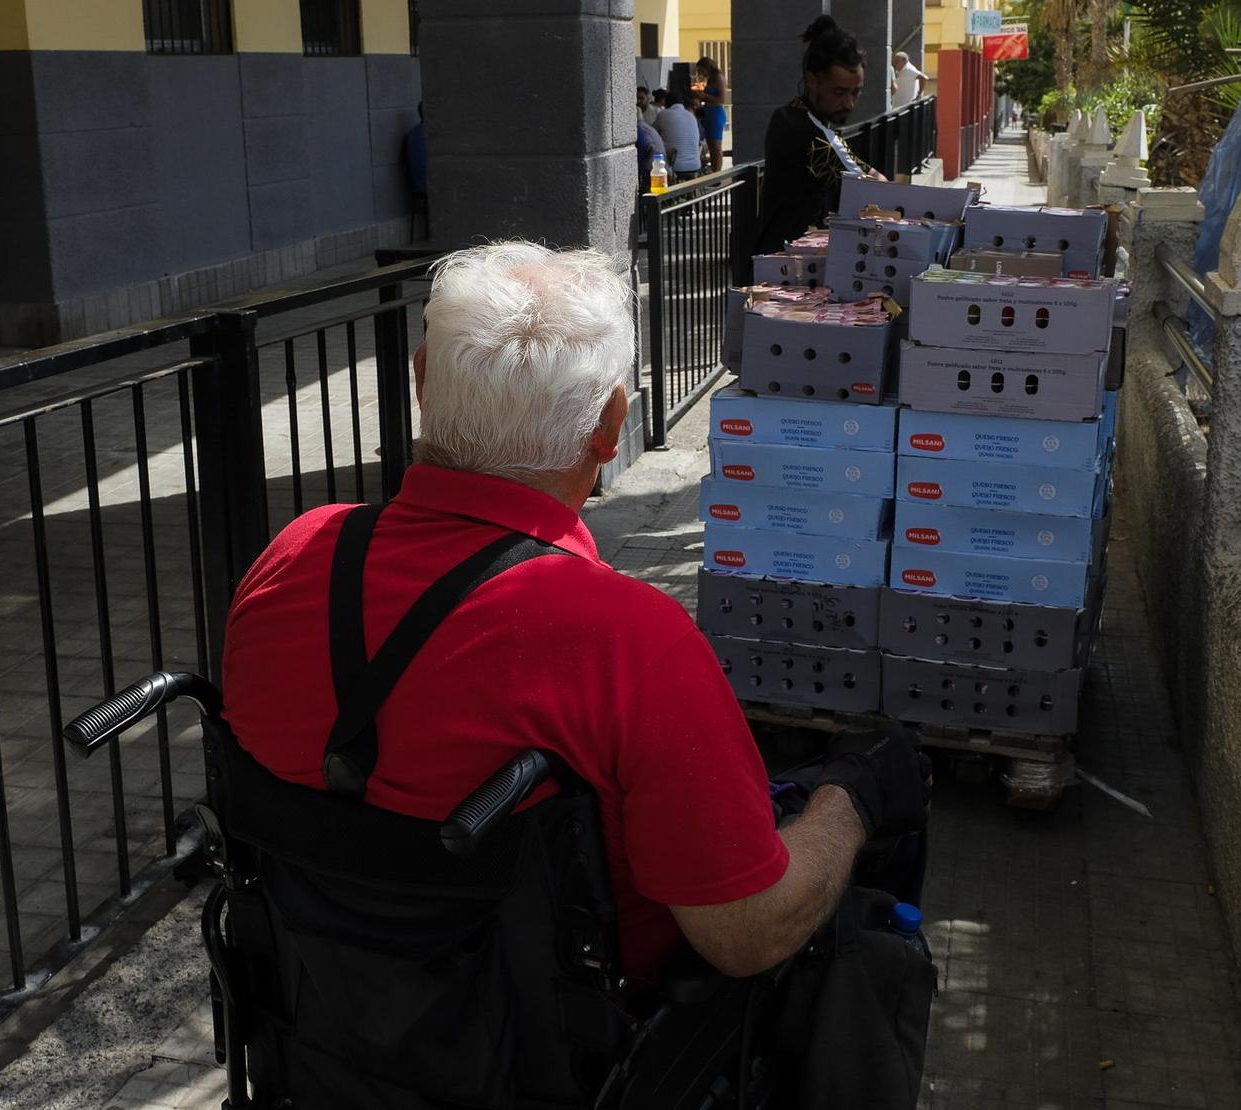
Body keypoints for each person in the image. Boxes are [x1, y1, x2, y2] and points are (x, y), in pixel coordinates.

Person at [219, 241, 930, 992]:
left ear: (423, 381)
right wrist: (852, 799)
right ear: (611, 422)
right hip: (570, 1044)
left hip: (321, 1023)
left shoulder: (293, 555)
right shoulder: (632, 642)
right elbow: (745, 935)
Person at [750, 15, 884, 273]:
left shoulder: (798, 118)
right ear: (812, 80)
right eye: (839, 92)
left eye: (856, 92)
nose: (849, 103)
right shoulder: (806, 133)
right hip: (786, 269)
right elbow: (874, 185)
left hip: (786, 260)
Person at [653, 88, 704, 181]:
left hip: (675, 167)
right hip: (695, 165)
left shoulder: (663, 114)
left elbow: (652, 134)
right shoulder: (691, 116)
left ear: (666, 103)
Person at [696, 57, 729, 174]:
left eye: (701, 70)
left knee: (716, 146)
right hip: (709, 112)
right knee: (710, 144)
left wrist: (704, 96)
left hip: (716, 113)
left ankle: (717, 172)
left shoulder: (719, 78)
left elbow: (721, 99)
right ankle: (714, 169)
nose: (700, 73)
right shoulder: (710, 79)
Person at [636, 115, 665, 194]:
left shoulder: (639, 128)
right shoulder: (647, 127)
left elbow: (650, 147)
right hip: (664, 166)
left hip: (653, 170)